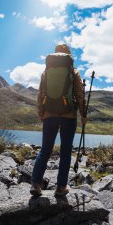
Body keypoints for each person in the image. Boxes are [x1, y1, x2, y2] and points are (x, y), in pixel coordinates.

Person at [30, 43, 86, 197]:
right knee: (66, 151)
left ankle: (35, 184)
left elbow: (40, 94)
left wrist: (41, 113)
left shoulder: (45, 73)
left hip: (49, 115)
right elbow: (80, 95)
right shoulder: (73, 72)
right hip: (68, 116)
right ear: (68, 55)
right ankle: (61, 187)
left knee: (45, 150)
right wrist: (83, 115)